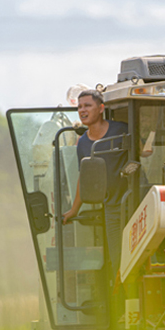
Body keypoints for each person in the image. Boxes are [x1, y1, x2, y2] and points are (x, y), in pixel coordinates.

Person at [62, 89, 128, 279]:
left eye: (87, 106)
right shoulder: (82, 143)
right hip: (112, 208)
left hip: (135, 201)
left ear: (100, 108)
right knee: (118, 260)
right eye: (79, 107)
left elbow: (145, 151)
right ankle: (124, 295)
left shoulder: (122, 130)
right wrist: (74, 210)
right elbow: (84, 178)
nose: (82, 110)